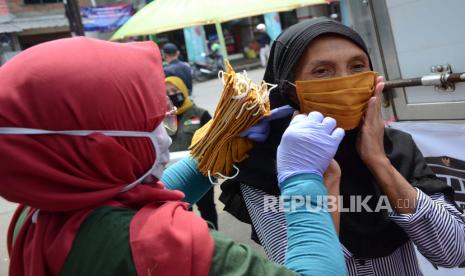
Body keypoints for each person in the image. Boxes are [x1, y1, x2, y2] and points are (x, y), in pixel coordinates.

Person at [0, 37, 346, 275]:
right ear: (101, 145)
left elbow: (127, 208)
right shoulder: (165, 245)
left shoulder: (35, 214)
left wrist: (213, 151)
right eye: (151, 121)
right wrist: (302, 178)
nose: (163, 132)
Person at [220, 17, 465, 274]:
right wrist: (314, 177)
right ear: (290, 89)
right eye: (322, 71)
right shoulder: (266, 165)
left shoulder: (396, 147)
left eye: (357, 66)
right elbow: (300, 269)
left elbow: (453, 251)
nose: (346, 82)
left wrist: (379, 162)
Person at [165, 75, 218, 229]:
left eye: (174, 90)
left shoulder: (200, 114)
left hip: (200, 169)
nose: (171, 95)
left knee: (207, 207)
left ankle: (214, 237)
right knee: (183, 212)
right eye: (166, 92)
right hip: (174, 173)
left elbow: (213, 139)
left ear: (182, 90)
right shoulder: (164, 117)